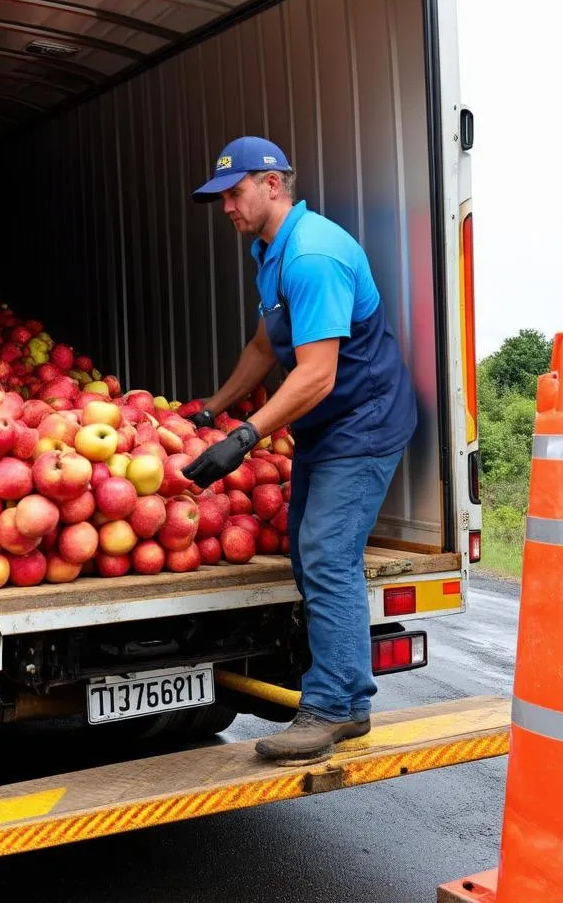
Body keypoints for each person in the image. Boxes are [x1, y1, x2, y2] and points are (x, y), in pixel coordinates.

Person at [182, 136, 417, 762]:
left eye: (234, 193)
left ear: (272, 185)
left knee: (325, 551)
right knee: (307, 546)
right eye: (221, 197)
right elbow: (265, 348)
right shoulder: (270, 251)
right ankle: (338, 692)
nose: (226, 207)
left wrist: (244, 436)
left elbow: (315, 374)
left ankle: (337, 707)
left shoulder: (312, 253)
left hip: (362, 423)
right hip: (326, 425)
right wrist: (211, 407)